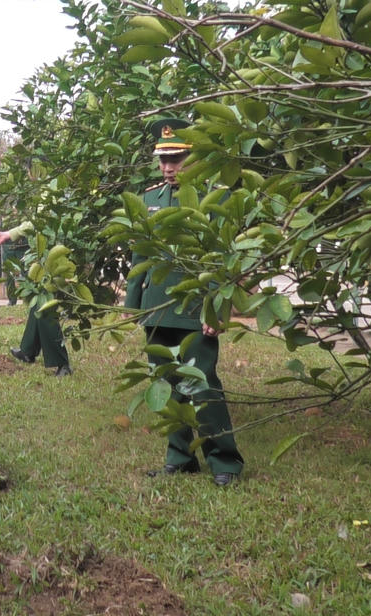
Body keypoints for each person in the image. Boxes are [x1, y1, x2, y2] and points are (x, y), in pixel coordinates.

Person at [125, 118, 244, 487]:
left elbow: (224, 258)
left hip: (195, 309)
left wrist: (217, 308)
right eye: (163, 160)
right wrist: (134, 305)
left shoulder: (215, 198)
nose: (167, 167)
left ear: (193, 158)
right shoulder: (149, 199)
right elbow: (139, 254)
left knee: (202, 384)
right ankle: (180, 458)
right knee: (167, 383)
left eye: (175, 159)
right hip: (157, 307)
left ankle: (224, 460)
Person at [0, 223, 73, 377]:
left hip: (62, 250)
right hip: (52, 250)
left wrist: (9, 234)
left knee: (45, 307)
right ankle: (28, 351)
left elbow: (40, 221)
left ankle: (62, 364)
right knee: (39, 303)